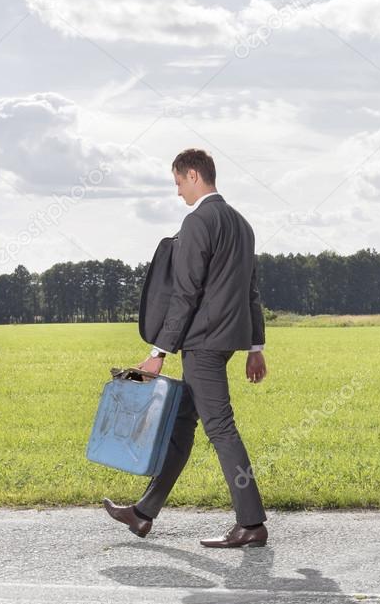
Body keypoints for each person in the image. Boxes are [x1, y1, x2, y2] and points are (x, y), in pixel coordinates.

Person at [102, 148, 270, 548]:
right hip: (228, 339)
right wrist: (255, 346)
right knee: (182, 424)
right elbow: (251, 291)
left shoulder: (198, 221)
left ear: (194, 175)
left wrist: (159, 351)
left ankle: (251, 523)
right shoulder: (242, 224)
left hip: (203, 342)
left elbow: (185, 292)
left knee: (222, 429)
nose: (178, 192)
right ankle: (143, 513)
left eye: (178, 183)